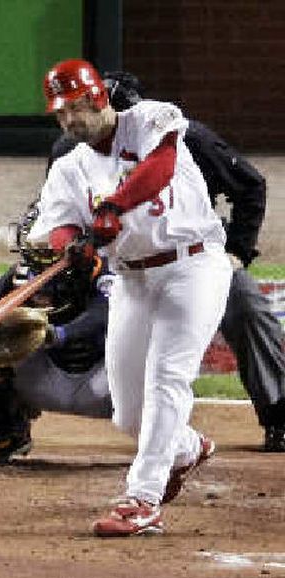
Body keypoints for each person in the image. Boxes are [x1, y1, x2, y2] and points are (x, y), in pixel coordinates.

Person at [27, 58, 232, 537]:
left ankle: (141, 499)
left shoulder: (150, 119)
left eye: (80, 106)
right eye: (62, 113)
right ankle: (184, 448)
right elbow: (60, 226)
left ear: (101, 97)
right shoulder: (69, 167)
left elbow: (158, 169)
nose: (72, 119)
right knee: (128, 413)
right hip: (132, 281)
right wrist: (74, 249)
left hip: (193, 266)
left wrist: (116, 205)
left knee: (168, 376)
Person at [49, 70, 285, 453]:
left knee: (246, 307)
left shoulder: (185, 137)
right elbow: (62, 214)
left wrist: (238, 252)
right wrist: (72, 247)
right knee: (68, 303)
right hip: (121, 264)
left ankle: (278, 415)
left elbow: (251, 186)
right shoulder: (71, 151)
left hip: (192, 253)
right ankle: (10, 412)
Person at [0, 198, 113, 465]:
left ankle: (162, 438)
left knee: (155, 353)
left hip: (110, 388)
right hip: (47, 381)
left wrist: (57, 334)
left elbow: (104, 313)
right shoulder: (19, 278)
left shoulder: (108, 270)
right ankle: (8, 429)